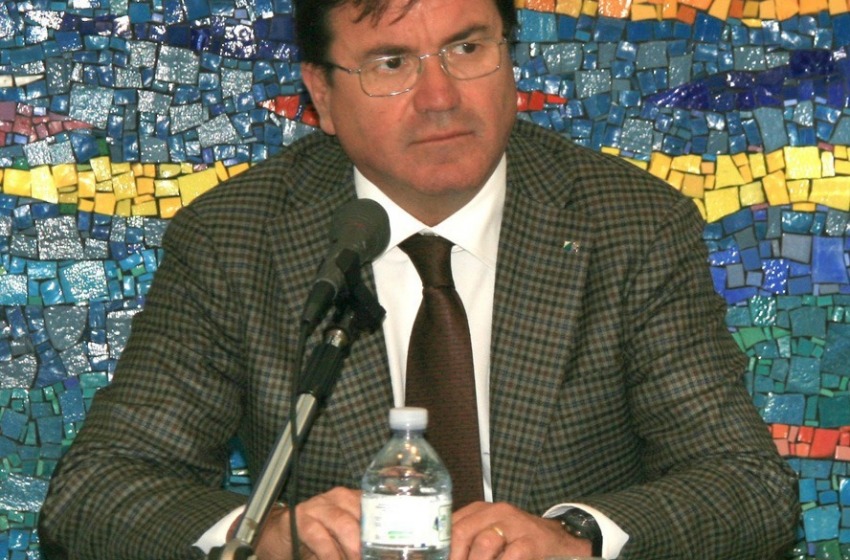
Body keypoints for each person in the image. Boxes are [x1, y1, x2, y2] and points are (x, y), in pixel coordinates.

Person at [38, 0, 801, 558]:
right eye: (392, 64)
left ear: (510, 55)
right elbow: (95, 491)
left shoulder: (630, 224)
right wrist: (261, 534)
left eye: (466, 48)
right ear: (321, 95)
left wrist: (576, 539)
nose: (440, 98)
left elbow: (747, 488)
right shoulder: (236, 239)